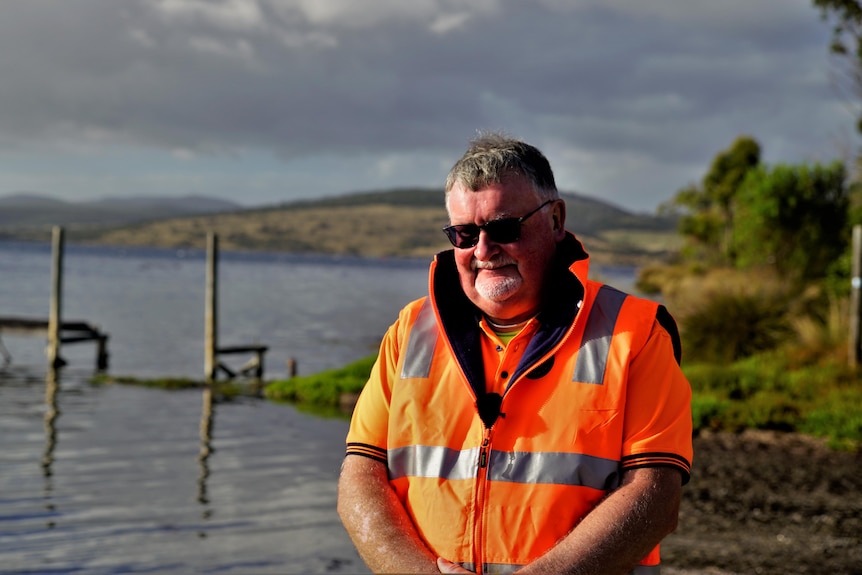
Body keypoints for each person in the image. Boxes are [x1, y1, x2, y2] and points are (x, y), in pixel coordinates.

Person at [337, 133, 693, 575]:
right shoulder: (409, 331)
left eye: (504, 229)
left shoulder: (636, 332)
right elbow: (360, 477)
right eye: (464, 234)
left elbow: (655, 498)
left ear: (557, 220)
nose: (483, 251)